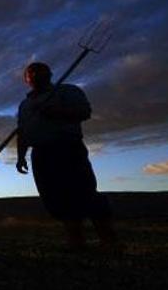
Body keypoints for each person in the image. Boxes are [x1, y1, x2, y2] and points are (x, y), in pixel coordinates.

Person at [16, 62, 118, 250]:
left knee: (85, 192)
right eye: (31, 73)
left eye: (40, 71)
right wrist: (20, 156)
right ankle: (76, 241)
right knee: (55, 197)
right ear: (26, 80)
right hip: (41, 153)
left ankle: (109, 241)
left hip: (67, 149)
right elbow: (22, 132)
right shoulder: (25, 105)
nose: (36, 75)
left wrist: (57, 112)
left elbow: (84, 112)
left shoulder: (67, 92)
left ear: (49, 74)